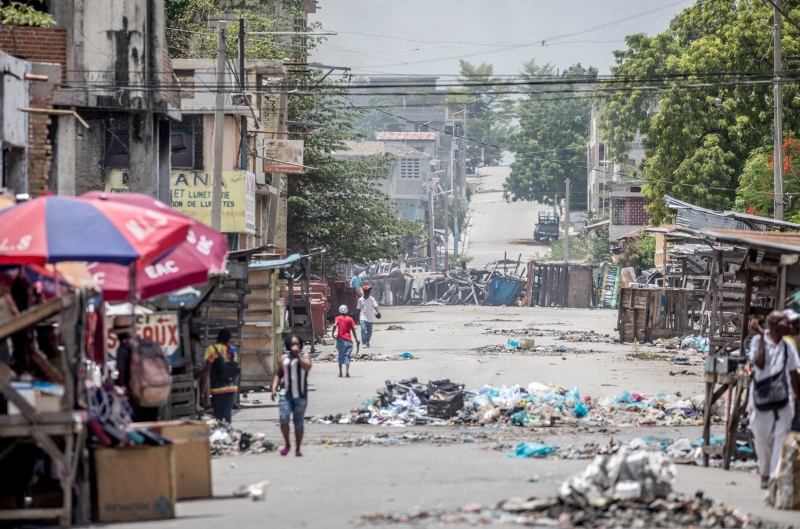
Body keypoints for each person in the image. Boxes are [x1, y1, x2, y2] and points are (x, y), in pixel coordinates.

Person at [747, 311, 800, 489]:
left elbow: (794, 376)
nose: (791, 325)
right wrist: (762, 335)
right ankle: (764, 471)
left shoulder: (788, 347)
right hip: (760, 399)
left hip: (784, 401)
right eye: (786, 322)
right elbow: (760, 363)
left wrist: (799, 400)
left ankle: (773, 477)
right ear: (776, 324)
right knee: (762, 440)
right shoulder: (756, 342)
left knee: (780, 439)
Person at [271, 334, 312, 457]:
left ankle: (298, 448)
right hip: (285, 394)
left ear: (300, 345)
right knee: (284, 419)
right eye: (292, 344)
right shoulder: (283, 358)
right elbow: (278, 374)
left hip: (300, 396)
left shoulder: (305, 356)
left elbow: (307, 367)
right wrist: (274, 388)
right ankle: (287, 444)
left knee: (298, 422)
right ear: (288, 345)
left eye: (297, 344)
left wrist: (298, 355)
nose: (295, 346)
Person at [113, 315, 159, 422]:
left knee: (141, 430)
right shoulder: (149, 344)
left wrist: (112, 384)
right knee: (154, 427)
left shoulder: (123, 350)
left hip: (137, 398)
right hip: (154, 392)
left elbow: (121, 381)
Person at [203, 329, 238, 423]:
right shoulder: (232, 349)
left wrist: (199, 375)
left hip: (217, 387)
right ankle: (228, 431)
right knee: (227, 411)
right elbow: (234, 364)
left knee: (218, 413)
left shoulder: (212, 349)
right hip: (231, 386)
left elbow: (208, 368)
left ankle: (220, 431)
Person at [331, 304, 359, 377]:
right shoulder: (350, 319)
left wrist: (332, 333)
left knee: (340, 355)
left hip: (340, 339)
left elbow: (335, 325)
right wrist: (356, 339)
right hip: (348, 340)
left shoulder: (338, 318)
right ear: (346, 311)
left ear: (340, 311)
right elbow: (353, 330)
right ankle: (347, 371)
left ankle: (340, 372)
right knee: (347, 356)